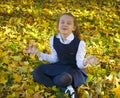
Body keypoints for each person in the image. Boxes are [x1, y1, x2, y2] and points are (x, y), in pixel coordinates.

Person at [25, 13, 99, 98]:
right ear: (58, 25)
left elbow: (79, 64)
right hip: (60, 66)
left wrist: (86, 60)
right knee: (37, 72)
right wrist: (37, 53)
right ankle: (65, 87)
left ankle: (63, 84)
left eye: (68, 23)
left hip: (73, 69)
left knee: (64, 78)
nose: (65, 25)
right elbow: (54, 59)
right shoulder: (53, 39)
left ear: (74, 28)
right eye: (62, 22)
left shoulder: (79, 43)